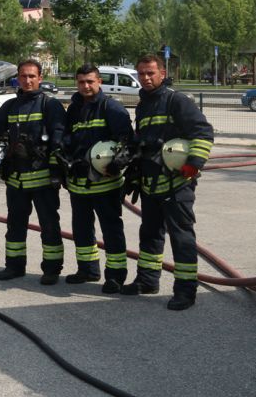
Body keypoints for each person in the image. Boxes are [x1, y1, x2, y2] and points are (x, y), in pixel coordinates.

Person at [122, 54, 214, 310]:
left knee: (181, 237)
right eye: (141, 73)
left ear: (162, 73)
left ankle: (186, 290)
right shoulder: (144, 105)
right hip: (151, 183)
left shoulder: (176, 100)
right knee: (150, 233)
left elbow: (203, 132)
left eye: (151, 73)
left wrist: (192, 165)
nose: (146, 78)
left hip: (176, 183)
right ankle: (148, 281)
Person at [0, 59, 66, 285]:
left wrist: (56, 169)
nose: (27, 80)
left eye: (32, 76)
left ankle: (52, 269)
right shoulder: (10, 106)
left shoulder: (49, 105)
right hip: (16, 180)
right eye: (23, 76)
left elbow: (59, 137)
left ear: (40, 78)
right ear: (18, 78)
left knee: (49, 225)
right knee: (15, 225)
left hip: (43, 180)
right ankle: (14, 266)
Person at [60, 64, 133, 293]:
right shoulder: (73, 110)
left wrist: (117, 163)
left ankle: (115, 276)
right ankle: (88, 269)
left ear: (100, 81)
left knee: (111, 229)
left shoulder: (111, 107)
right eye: (81, 82)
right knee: (81, 229)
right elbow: (67, 140)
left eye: (90, 81)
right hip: (79, 184)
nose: (86, 86)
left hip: (106, 183)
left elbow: (127, 141)